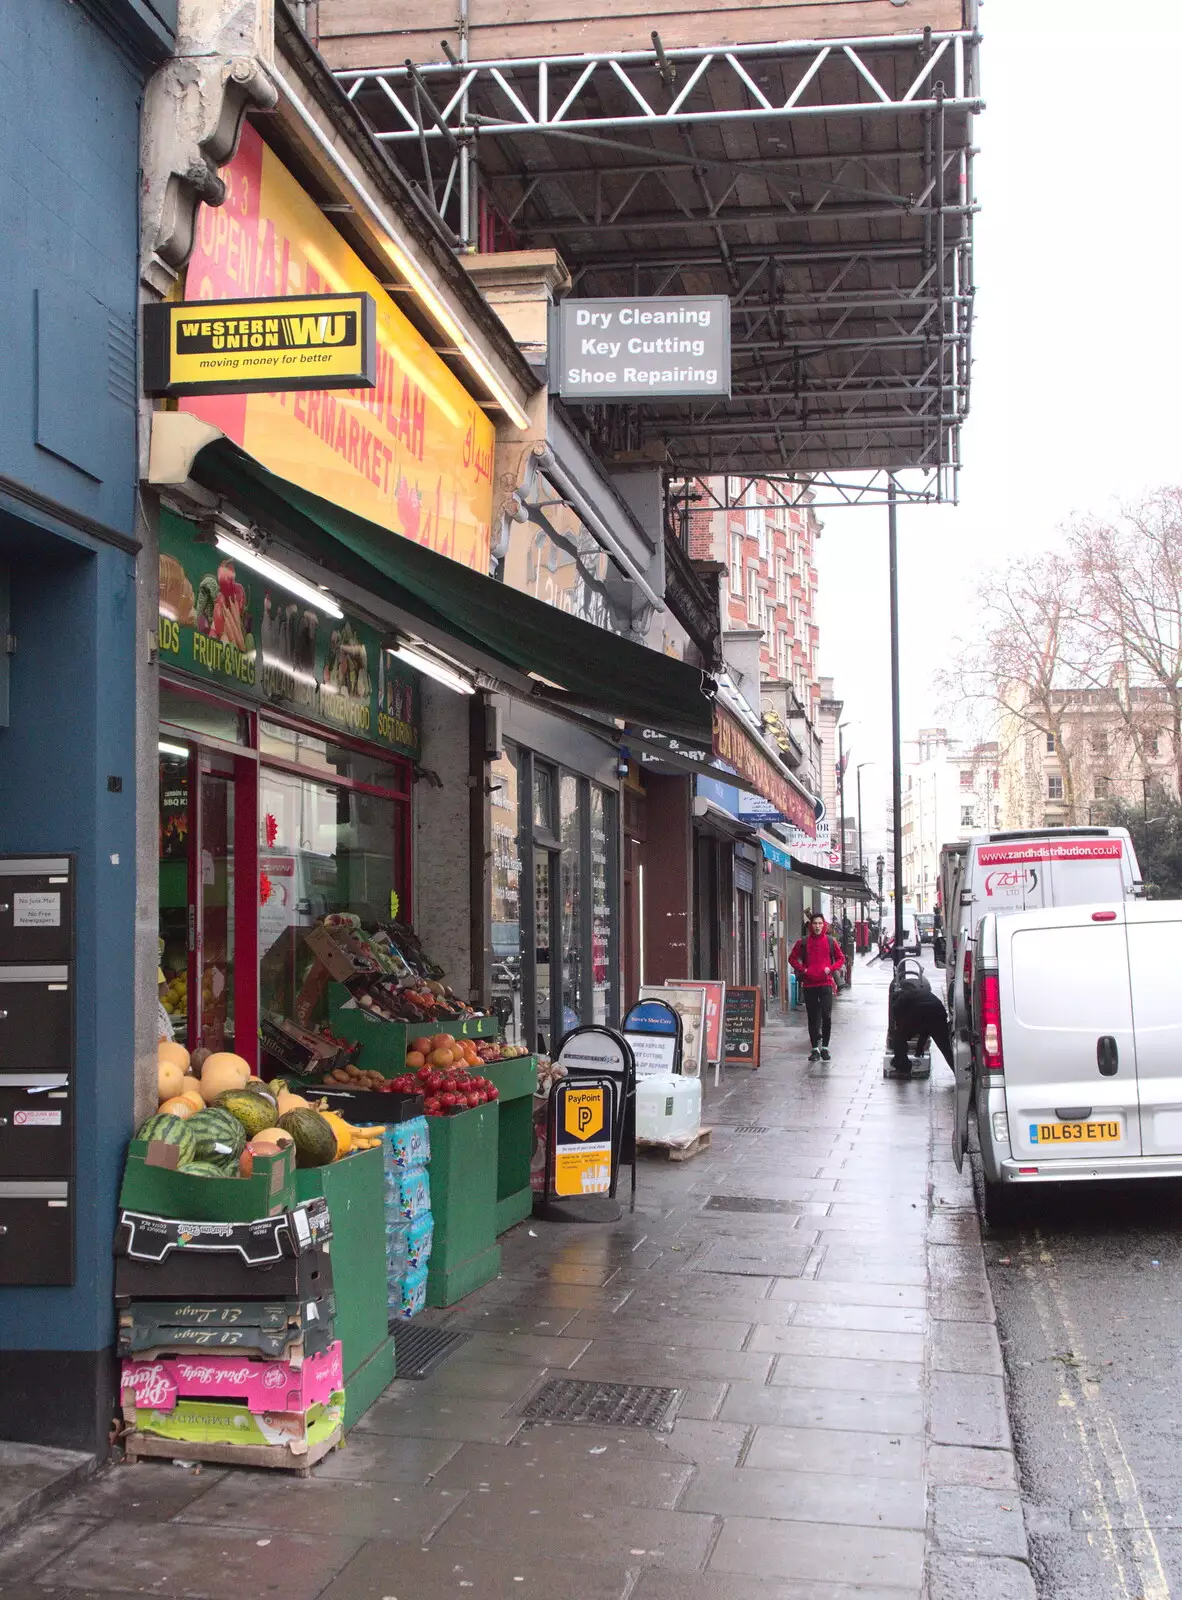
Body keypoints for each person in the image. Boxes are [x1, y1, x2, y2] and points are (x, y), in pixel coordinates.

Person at [789, 912, 845, 1062]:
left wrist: (831, 968)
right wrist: (803, 969)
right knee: (812, 1017)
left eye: (820, 923)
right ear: (811, 926)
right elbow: (792, 958)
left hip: (826, 984)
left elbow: (841, 958)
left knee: (826, 1016)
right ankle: (814, 1049)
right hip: (809, 985)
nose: (817, 926)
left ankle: (825, 1048)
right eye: (815, 924)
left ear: (824, 925)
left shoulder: (830, 941)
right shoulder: (804, 942)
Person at [887, 958, 953, 1075]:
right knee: (945, 1048)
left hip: (922, 1016)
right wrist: (919, 1048)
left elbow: (901, 1027)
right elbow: (926, 1027)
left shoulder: (898, 1002)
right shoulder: (920, 993)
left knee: (899, 1038)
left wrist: (909, 1046)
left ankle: (903, 1066)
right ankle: (958, 1071)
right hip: (938, 1014)